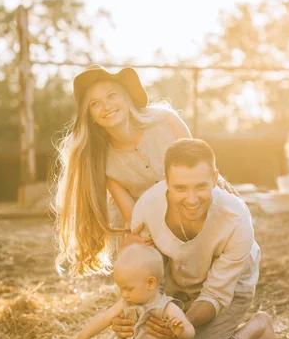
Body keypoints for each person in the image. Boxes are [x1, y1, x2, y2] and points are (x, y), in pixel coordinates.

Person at [112, 139, 283, 339]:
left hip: (229, 291)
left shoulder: (236, 219)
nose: (191, 199)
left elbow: (215, 296)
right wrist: (129, 314)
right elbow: (142, 276)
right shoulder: (147, 208)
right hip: (177, 285)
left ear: (215, 179)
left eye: (201, 187)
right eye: (180, 188)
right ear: (166, 182)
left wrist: (180, 325)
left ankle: (257, 329)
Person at [55, 64, 237, 277]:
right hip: (154, 224)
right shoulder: (103, 161)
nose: (106, 106)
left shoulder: (166, 121)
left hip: (192, 204)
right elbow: (135, 217)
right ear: (91, 116)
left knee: (220, 211)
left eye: (112, 96)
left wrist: (218, 180)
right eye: (95, 104)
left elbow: (199, 164)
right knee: (140, 258)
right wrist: (137, 241)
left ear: (125, 97)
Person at [65, 244, 195, 339]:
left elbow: (190, 331)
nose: (124, 294)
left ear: (151, 283)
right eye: (121, 288)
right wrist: (82, 337)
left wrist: (179, 330)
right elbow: (104, 318)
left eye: (128, 288)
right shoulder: (126, 302)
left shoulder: (166, 307)